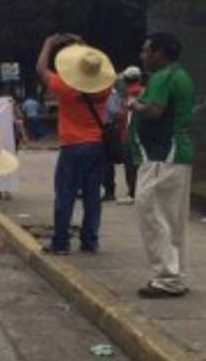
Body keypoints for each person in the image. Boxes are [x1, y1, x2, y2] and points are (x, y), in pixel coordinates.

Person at [130, 33, 195, 298]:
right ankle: (173, 276)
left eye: (147, 51)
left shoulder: (163, 77)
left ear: (160, 53)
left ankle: (168, 279)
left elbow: (155, 110)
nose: (143, 56)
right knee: (170, 218)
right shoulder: (179, 75)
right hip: (172, 155)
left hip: (162, 155)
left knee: (152, 213)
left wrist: (136, 105)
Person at [35, 33, 114, 255]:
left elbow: (42, 70)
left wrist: (48, 44)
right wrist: (84, 46)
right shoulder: (104, 88)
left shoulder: (66, 87)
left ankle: (61, 242)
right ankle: (90, 241)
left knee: (65, 194)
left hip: (73, 146)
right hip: (98, 145)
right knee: (92, 195)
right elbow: (91, 62)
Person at [116, 66, 145, 204]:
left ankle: (133, 193)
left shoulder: (131, 93)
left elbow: (124, 114)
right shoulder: (142, 90)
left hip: (129, 134)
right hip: (137, 133)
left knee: (130, 165)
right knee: (138, 164)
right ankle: (138, 191)